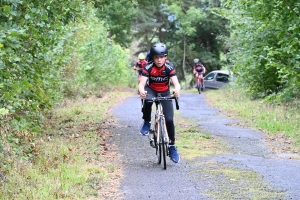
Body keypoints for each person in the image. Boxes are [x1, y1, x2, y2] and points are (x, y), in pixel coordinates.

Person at [138, 42, 181, 163]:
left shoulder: (169, 67)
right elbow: (141, 84)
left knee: (169, 120)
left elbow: (176, 84)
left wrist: (176, 90)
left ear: (165, 57)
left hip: (165, 92)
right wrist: (142, 91)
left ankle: (172, 146)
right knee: (147, 100)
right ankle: (147, 122)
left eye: (161, 57)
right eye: (156, 57)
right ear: (152, 58)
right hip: (151, 90)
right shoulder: (148, 67)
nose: (159, 60)